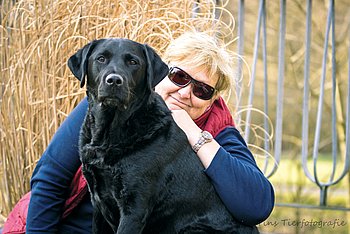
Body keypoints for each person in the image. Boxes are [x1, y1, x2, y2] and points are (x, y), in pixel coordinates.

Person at [3, 31, 274, 233]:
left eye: (202, 90)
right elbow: (50, 179)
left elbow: (257, 204)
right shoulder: (101, 105)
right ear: (157, 75)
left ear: (213, 100)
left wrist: (193, 134)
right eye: (179, 76)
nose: (185, 92)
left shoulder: (219, 130)